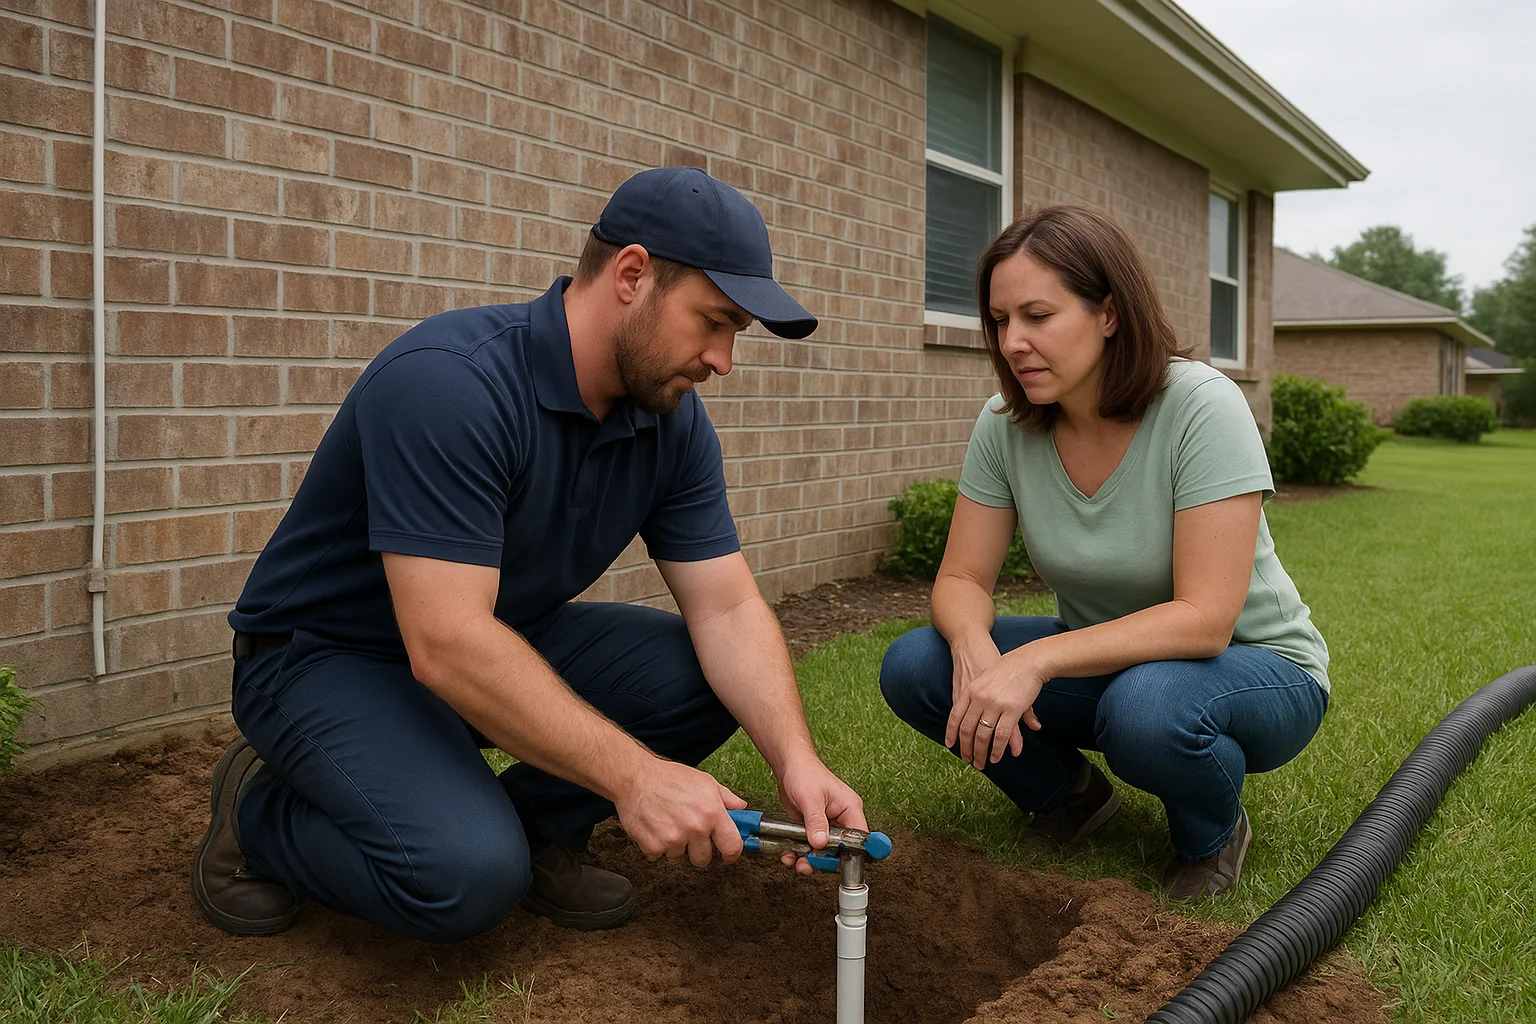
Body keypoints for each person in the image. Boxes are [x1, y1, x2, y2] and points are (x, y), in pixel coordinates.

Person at [192, 166, 867, 941]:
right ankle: (260, 814)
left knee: (705, 678)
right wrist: (636, 778)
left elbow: (728, 606)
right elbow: (446, 642)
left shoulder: (671, 421)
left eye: (736, 334)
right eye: (713, 321)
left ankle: (535, 831)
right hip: (324, 660)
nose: (723, 359)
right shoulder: (452, 383)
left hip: (495, 636)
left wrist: (795, 761)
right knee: (464, 881)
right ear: (632, 274)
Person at [878, 205, 1329, 899]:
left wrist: (1033, 659)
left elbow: (1205, 618)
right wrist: (974, 649)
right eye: (1001, 321)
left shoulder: (1202, 406)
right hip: (1114, 663)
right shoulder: (1005, 426)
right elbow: (963, 576)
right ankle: (1071, 798)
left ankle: (1211, 834)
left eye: (1038, 316)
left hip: (1256, 668)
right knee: (919, 665)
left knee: (1148, 709)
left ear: (1109, 314)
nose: (1013, 342)